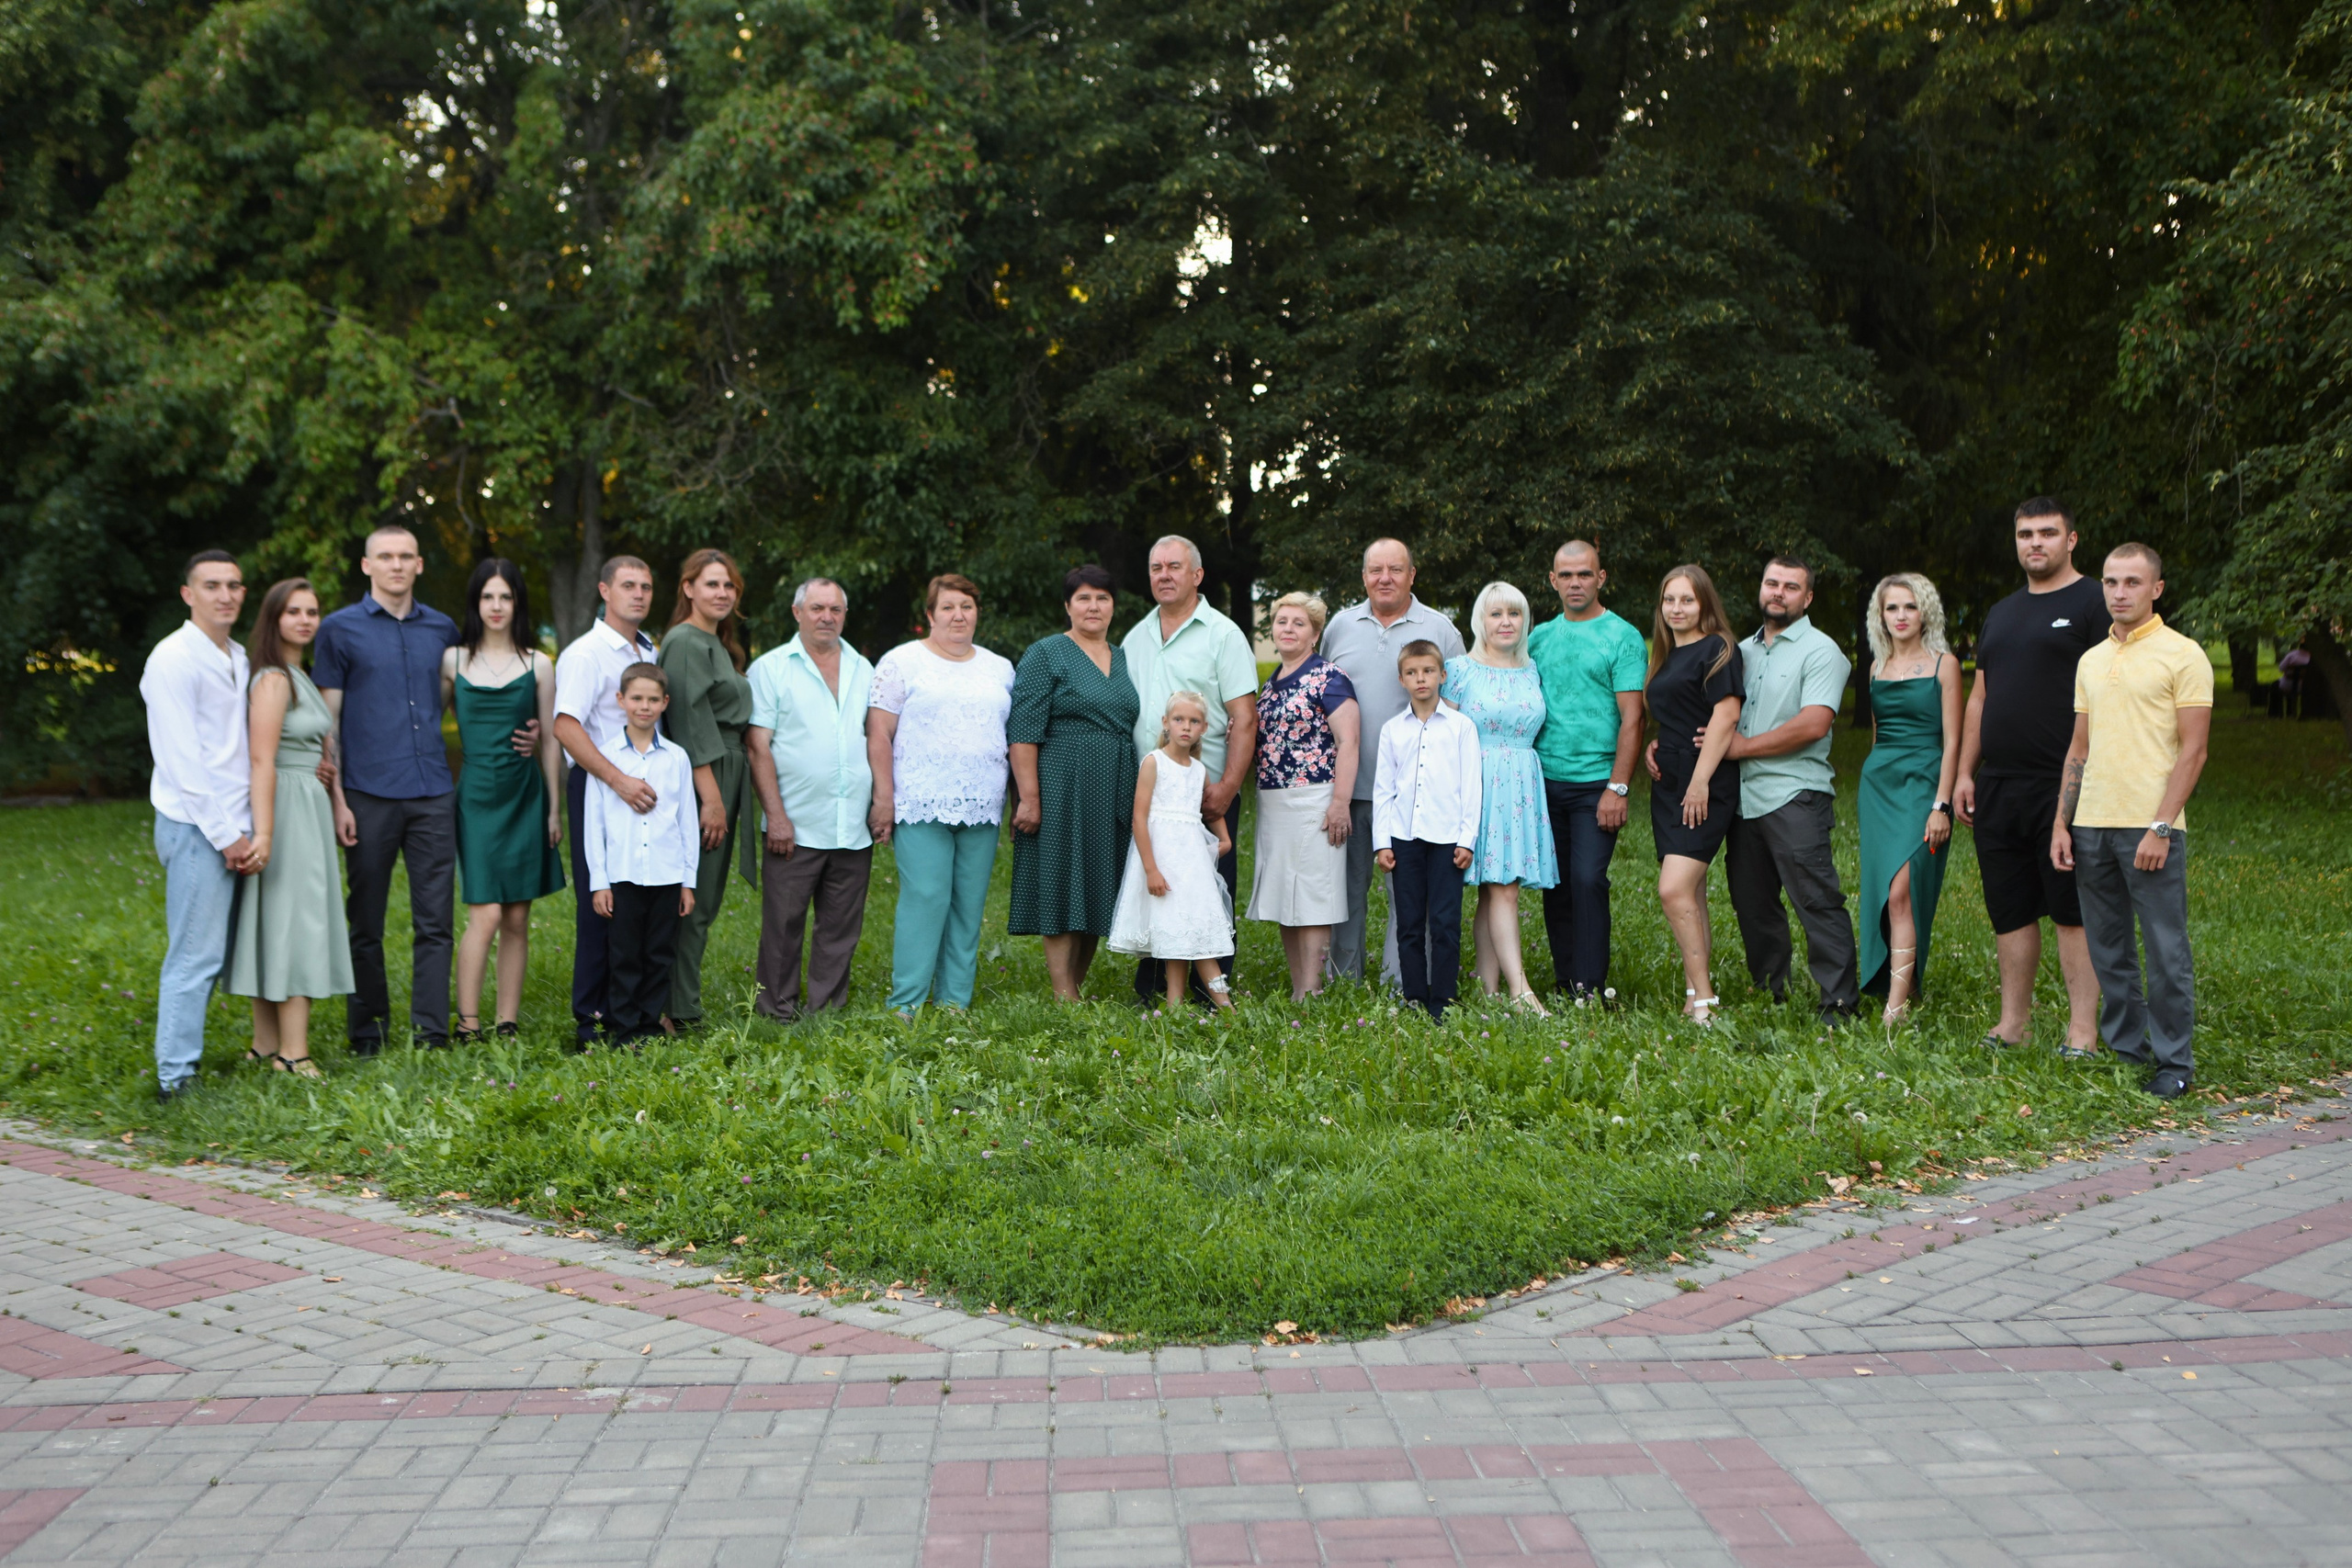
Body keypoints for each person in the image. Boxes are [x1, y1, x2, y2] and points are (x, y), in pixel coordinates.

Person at [316, 525, 502, 1054]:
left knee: (436, 922)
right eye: (385, 557)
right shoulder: (338, 629)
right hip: (367, 795)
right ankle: (367, 1033)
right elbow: (328, 722)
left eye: (405, 557)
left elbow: (466, 697)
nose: (396, 565)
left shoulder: (442, 629)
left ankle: (431, 1033)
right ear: (366, 565)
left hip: (432, 794)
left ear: (419, 565)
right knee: (366, 921)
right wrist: (338, 801)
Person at [2052, 544, 2211, 1099]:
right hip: (2090, 825)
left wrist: (2161, 826)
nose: (2120, 593)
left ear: (2156, 589)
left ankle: (2174, 1063)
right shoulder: (2091, 660)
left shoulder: (2184, 655)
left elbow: (2194, 752)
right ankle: (2127, 1049)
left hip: (2151, 828)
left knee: (2166, 949)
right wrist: (2061, 824)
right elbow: (2078, 749)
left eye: (2132, 583)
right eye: (2111, 582)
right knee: (2108, 947)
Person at [1951, 499, 2106, 1053]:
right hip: (2000, 783)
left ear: (2071, 539)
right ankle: (2013, 1023)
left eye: (2047, 532)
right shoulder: (2001, 611)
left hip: (2065, 784)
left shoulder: (2094, 602)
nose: (2034, 543)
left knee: (2070, 907)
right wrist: (1966, 774)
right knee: (2010, 907)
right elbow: (1980, 697)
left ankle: (2083, 1029)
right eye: (2024, 534)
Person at [1716, 558, 1860, 1022]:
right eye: (1772, 583)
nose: (1778, 593)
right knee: (1752, 904)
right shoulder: (1741, 651)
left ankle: (1838, 1003)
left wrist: (1742, 749)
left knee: (1815, 899)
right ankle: (1769, 991)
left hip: (1795, 795)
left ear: (1808, 597)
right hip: (1744, 800)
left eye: (1791, 587)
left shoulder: (1822, 652)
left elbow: (1814, 724)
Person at [867, 574, 1017, 1017]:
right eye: (948, 607)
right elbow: (879, 734)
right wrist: (883, 797)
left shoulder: (999, 668)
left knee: (968, 906)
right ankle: (906, 1005)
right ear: (930, 615)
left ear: (977, 614)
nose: (958, 615)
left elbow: (1012, 736)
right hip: (920, 800)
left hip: (982, 804)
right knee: (927, 897)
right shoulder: (901, 663)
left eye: (966, 607)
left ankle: (954, 1002)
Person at [1319, 538, 1466, 983]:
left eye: (1396, 570)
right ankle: (1344, 980)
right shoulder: (1340, 627)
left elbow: (1459, 707)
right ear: (1363, 576)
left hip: (1415, 798)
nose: (1385, 578)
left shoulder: (1441, 630)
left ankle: (1401, 982)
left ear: (1412, 575)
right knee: (1346, 893)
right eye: (1375, 570)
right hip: (1348, 789)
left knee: (1409, 897)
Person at [1122, 536, 1258, 1001]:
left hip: (1204, 789)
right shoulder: (1135, 637)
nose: (1164, 574)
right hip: (1153, 794)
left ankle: (1209, 990)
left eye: (1175, 566)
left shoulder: (1223, 634)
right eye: (1156, 567)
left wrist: (1227, 788)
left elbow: (1244, 717)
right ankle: (1156, 986)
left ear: (1196, 575)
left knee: (1207, 890)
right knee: (1155, 884)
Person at [226, 579, 353, 1077]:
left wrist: (323, 773)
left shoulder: (299, 674)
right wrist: (266, 832)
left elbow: (312, 745)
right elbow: (261, 758)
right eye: (293, 611)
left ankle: (264, 1044)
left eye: (313, 611)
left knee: (278, 919)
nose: (305, 620)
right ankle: (293, 1053)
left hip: (307, 801)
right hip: (284, 808)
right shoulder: (274, 678)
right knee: (292, 923)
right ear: (273, 618)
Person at [141, 551, 254, 1100]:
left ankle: (182, 1061)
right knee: (194, 954)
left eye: (234, 585)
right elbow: (183, 761)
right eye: (212, 585)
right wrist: (227, 836)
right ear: (188, 594)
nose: (225, 595)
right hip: (197, 828)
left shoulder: (239, 655)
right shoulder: (171, 659)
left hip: (238, 824)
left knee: (214, 953)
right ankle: (174, 1077)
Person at [1009, 565, 1143, 1001]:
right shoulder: (1046, 653)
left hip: (1115, 784)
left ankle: (1077, 987)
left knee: (1099, 882)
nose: (1094, 606)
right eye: (1084, 598)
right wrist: (1029, 798)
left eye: (1102, 598)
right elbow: (1024, 731)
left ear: (1113, 607)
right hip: (1063, 783)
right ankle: (1063, 993)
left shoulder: (1122, 657)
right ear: (1068, 606)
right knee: (1063, 880)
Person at [444, 558, 564, 1043]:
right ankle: (468, 1022)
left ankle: (506, 1022)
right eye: (488, 596)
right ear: (476, 602)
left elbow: (552, 739)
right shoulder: (453, 660)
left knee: (517, 915)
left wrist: (555, 808)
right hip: (475, 794)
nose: (497, 606)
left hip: (524, 794)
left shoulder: (539, 664)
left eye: (506, 597)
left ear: (518, 603)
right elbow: (419, 725)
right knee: (486, 912)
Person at [746, 578, 876, 1020]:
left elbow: (876, 739)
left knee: (840, 926)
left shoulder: (865, 668)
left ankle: (827, 1009)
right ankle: (776, 1011)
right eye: (817, 608)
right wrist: (775, 816)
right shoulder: (771, 668)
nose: (827, 617)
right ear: (797, 612)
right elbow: (757, 745)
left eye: (835, 609)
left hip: (851, 823)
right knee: (783, 925)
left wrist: (880, 802)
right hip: (795, 823)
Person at [1525, 541, 1645, 1002]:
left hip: (1596, 782)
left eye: (1585, 574)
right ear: (1553, 581)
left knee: (1587, 879)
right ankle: (1564, 979)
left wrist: (1618, 786)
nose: (1576, 583)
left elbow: (1633, 719)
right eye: (1566, 575)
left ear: (1601, 578)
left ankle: (1590, 987)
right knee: (1555, 884)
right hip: (1544, 780)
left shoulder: (1623, 636)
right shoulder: (1538, 639)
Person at [554, 557, 660, 1045]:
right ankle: (591, 1022)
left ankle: (633, 1010)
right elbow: (566, 726)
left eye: (646, 587)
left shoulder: (647, 650)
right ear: (604, 590)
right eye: (628, 586)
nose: (638, 594)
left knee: (639, 901)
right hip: (600, 786)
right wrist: (616, 780)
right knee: (602, 901)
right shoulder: (586, 653)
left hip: (644, 789)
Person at [1442, 582, 1558, 1014]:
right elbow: (1443, 737)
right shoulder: (1460, 670)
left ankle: (1488, 992)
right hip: (1479, 782)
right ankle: (1521, 991)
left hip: (1523, 784)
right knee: (1503, 887)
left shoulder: (1532, 671)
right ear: (1480, 621)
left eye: (1514, 613)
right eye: (1496, 614)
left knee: (1496, 891)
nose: (1506, 621)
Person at [1857, 574, 1962, 1026]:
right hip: (1879, 787)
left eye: (1909, 607)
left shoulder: (1945, 665)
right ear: (1880, 616)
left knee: (1904, 890)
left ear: (1925, 613)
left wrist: (1942, 805)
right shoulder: (1877, 668)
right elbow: (1879, 735)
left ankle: (1894, 1008)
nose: (1900, 616)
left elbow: (1953, 742)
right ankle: (1904, 990)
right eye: (1891, 608)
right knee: (1886, 893)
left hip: (1924, 784)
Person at [659, 549, 756, 1030]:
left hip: (729, 767)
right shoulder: (684, 642)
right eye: (712, 584)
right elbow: (688, 722)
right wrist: (712, 797)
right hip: (706, 773)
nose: (722, 593)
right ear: (688, 588)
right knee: (692, 896)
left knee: (708, 896)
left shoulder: (719, 643)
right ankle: (677, 1009)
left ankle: (678, 1001)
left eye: (729, 586)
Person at [1643, 566, 1743, 1027]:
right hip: (1669, 782)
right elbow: (1675, 712)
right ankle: (1693, 992)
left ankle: (1704, 1000)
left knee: (1673, 889)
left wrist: (1701, 780)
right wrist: (1656, 743)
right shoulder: (1664, 653)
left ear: (1704, 602)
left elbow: (1726, 714)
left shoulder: (1718, 648)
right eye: (1669, 600)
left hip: (1704, 783)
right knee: (1692, 893)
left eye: (1687, 600)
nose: (1677, 608)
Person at [1248, 592, 1361, 999]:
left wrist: (1340, 803)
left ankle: (1312, 991)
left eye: (1299, 623)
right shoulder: (1271, 682)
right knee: (1284, 895)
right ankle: (1300, 987)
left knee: (1312, 894)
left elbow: (1349, 741)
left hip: (1316, 799)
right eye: (1282, 622)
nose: (1289, 629)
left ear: (1314, 634)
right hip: (1274, 801)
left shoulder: (1330, 678)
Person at [585, 664, 701, 1047]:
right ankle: (625, 1030)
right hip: (623, 875)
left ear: (665, 703)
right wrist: (599, 881)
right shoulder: (604, 759)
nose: (645, 706)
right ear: (621, 701)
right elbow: (594, 826)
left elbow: (687, 820)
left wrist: (688, 881)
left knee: (659, 954)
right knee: (625, 956)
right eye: (636, 698)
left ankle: (650, 1027)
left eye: (653, 699)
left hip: (667, 875)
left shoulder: (676, 758)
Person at [1109, 693, 1239, 1010]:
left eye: (1194, 722)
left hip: (1191, 862)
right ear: (1166, 723)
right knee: (1173, 929)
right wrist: (1151, 869)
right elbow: (1139, 818)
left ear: (1204, 728)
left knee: (1189, 927)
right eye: (1179, 720)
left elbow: (1209, 808)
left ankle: (1182, 1008)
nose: (1186, 727)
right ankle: (1199, 1007)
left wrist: (1224, 839)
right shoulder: (1154, 762)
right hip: (1163, 859)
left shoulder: (1198, 769)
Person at [1373, 641, 1482, 1020]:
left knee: (1446, 923)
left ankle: (1444, 1001)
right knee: (1409, 923)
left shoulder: (1461, 727)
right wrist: (1381, 843)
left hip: (1448, 840)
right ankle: (1415, 998)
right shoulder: (1392, 730)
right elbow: (1383, 790)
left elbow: (1472, 787)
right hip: (1404, 840)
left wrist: (1467, 839)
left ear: (1442, 676)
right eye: (1413, 672)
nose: (1421, 679)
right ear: (1402, 679)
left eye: (1428, 671)